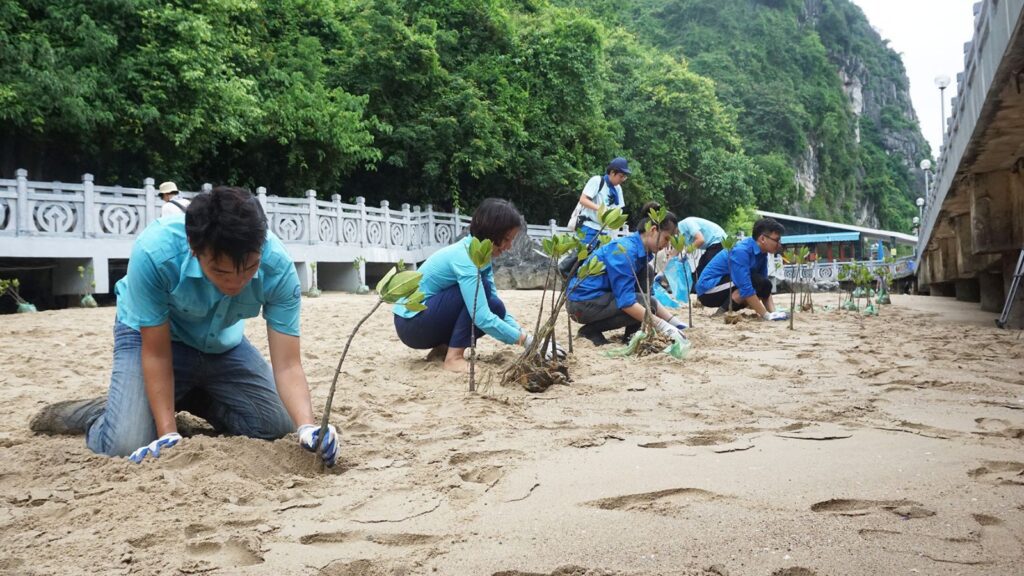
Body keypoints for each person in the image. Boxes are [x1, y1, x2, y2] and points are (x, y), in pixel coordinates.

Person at [29, 187, 338, 467]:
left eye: (250, 268)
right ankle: (106, 413)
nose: (237, 281)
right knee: (126, 442)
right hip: (153, 340)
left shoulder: (278, 268)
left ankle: (181, 395)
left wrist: (308, 426)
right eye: (221, 271)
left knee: (277, 424)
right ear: (194, 248)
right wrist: (167, 434)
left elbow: (287, 365)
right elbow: (157, 354)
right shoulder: (156, 252)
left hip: (220, 345)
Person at [393, 198, 559, 372]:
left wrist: (530, 338)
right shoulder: (465, 258)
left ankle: (442, 350)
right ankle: (454, 358)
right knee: (482, 293)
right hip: (411, 323)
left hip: (425, 318)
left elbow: (493, 305)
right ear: (492, 234)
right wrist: (526, 341)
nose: (509, 247)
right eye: (507, 239)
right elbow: (481, 317)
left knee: (494, 304)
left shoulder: (481, 255)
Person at [566, 202, 688, 346]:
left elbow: (650, 297)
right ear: (653, 230)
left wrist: (675, 324)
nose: (667, 245)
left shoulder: (641, 252)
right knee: (645, 303)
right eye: (667, 238)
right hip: (582, 303)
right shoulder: (626, 252)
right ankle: (589, 331)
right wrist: (664, 327)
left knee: (647, 278)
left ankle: (632, 334)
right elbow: (626, 301)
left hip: (600, 298)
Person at [695, 217, 788, 321]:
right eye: (776, 240)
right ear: (762, 239)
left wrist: (774, 313)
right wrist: (765, 315)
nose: (779, 244)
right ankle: (722, 312)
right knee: (752, 283)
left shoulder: (762, 253)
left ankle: (727, 309)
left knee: (764, 283)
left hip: (728, 286)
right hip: (707, 291)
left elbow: (765, 286)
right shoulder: (741, 251)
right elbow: (745, 287)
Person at [568, 157, 630, 247]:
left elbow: (619, 208)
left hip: (605, 231)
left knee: (599, 260)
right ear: (612, 173)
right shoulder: (597, 181)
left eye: (624, 177)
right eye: (621, 176)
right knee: (581, 258)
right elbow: (583, 200)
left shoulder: (618, 188)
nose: (622, 179)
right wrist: (602, 210)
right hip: (589, 227)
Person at [679, 216, 727, 282]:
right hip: (711, 246)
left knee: (705, 271)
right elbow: (674, 253)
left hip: (718, 240)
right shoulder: (677, 235)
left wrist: (686, 251)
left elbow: (700, 240)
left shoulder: (687, 223)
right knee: (699, 271)